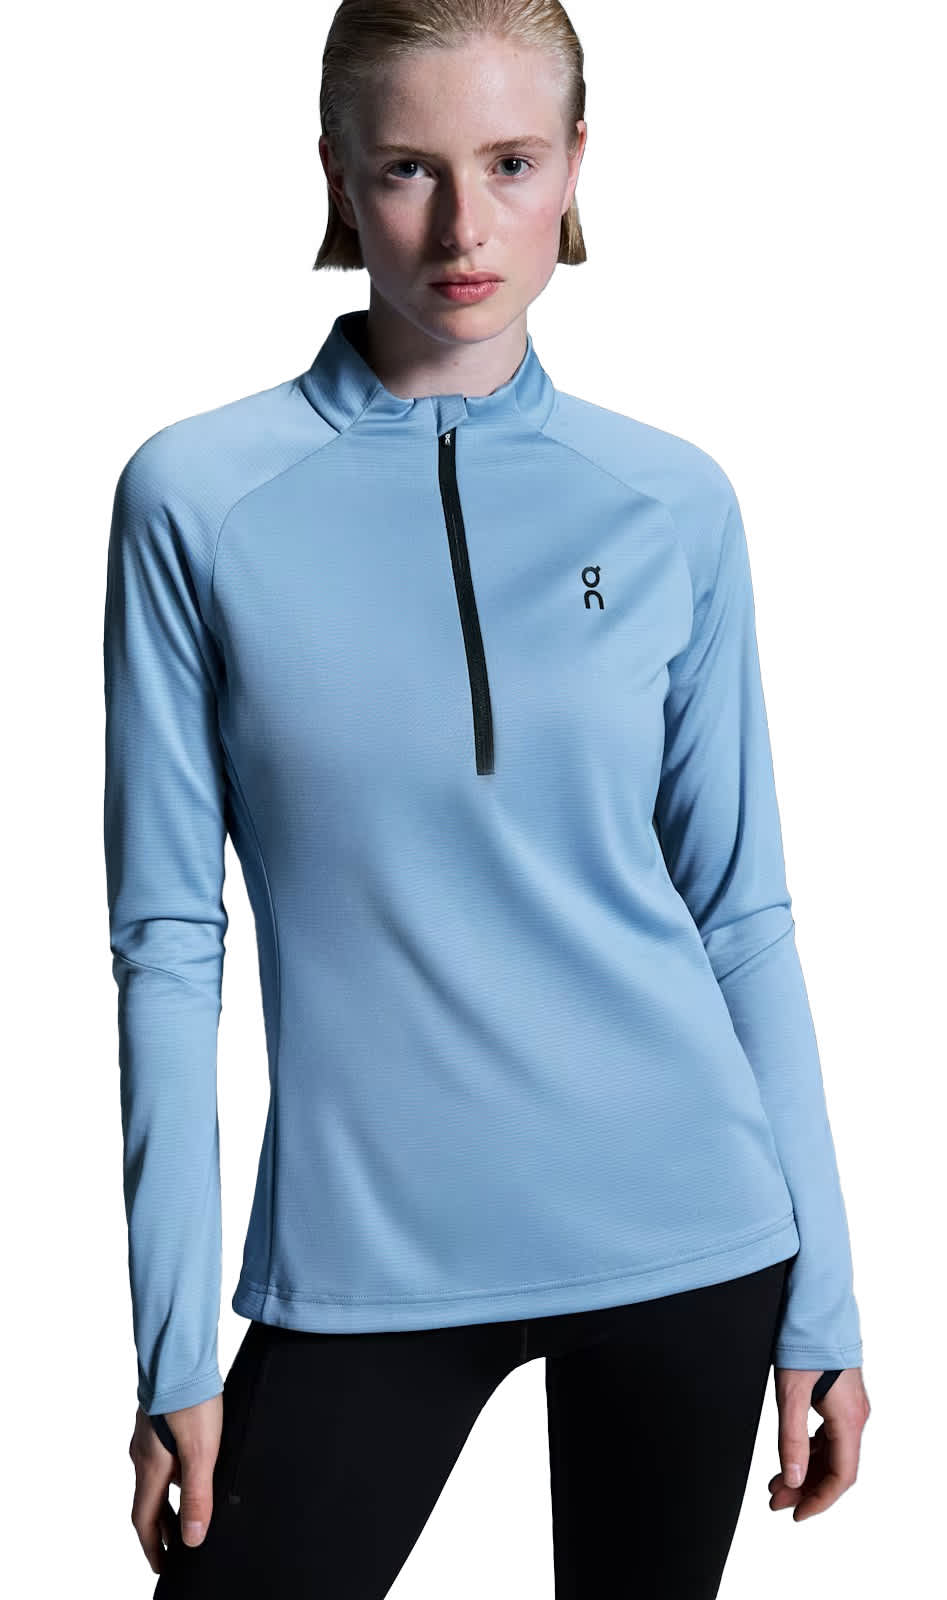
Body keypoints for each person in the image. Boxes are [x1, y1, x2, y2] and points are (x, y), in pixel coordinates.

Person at [103, 2, 870, 1594]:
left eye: (512, 163)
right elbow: (170, 939)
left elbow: (742, 915)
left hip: (689, 1236)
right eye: (410, 168)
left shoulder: (669, 503)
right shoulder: (198, 500)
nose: (465, 227)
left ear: (577, 164)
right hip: (366, 1259)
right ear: (336, 175)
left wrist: (827, 1299)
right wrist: (173, 1345)